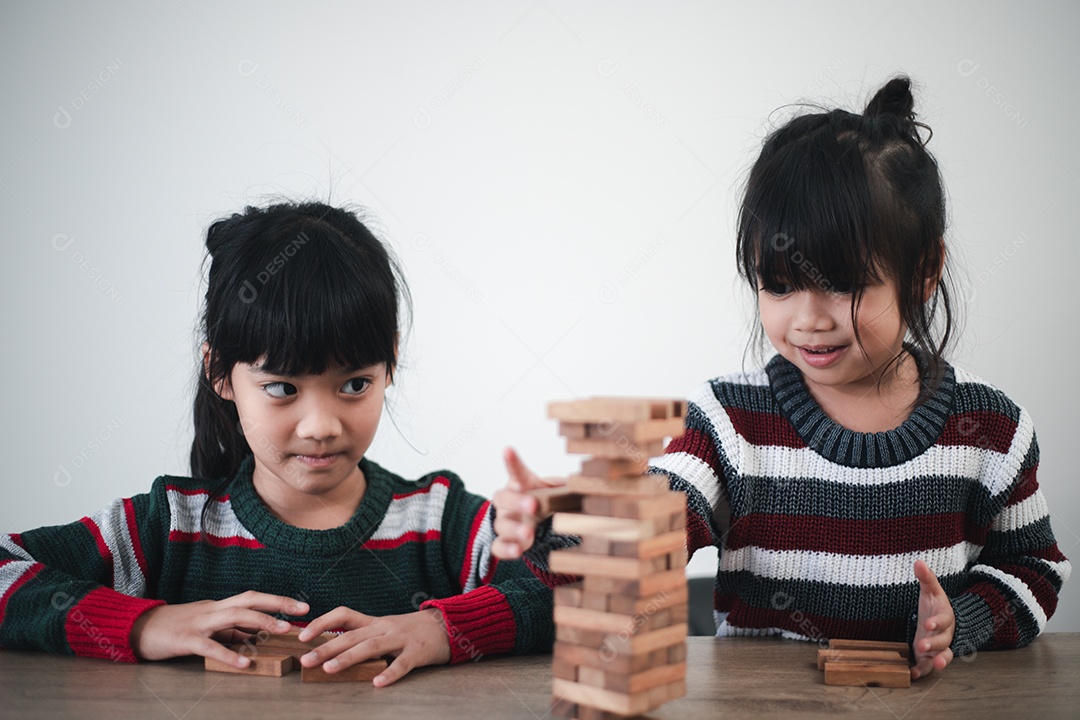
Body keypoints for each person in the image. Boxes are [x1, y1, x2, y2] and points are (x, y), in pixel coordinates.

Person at [491, 77, 1071, 681]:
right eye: (780, 284)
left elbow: (1034, 570)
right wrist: (562, 520)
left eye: (843, 284)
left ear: (924, 271)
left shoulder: (990, 431)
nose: (808, 320)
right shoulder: (730, 423)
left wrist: (965, 621)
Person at [0, 201, 552, 686]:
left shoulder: (439, 522)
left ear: (391, 362)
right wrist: (143, 623)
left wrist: (442, 628)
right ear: (219, 372)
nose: (321, 426)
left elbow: (596, 595)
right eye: (282, 388)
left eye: (354, 384)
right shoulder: (170, 529)